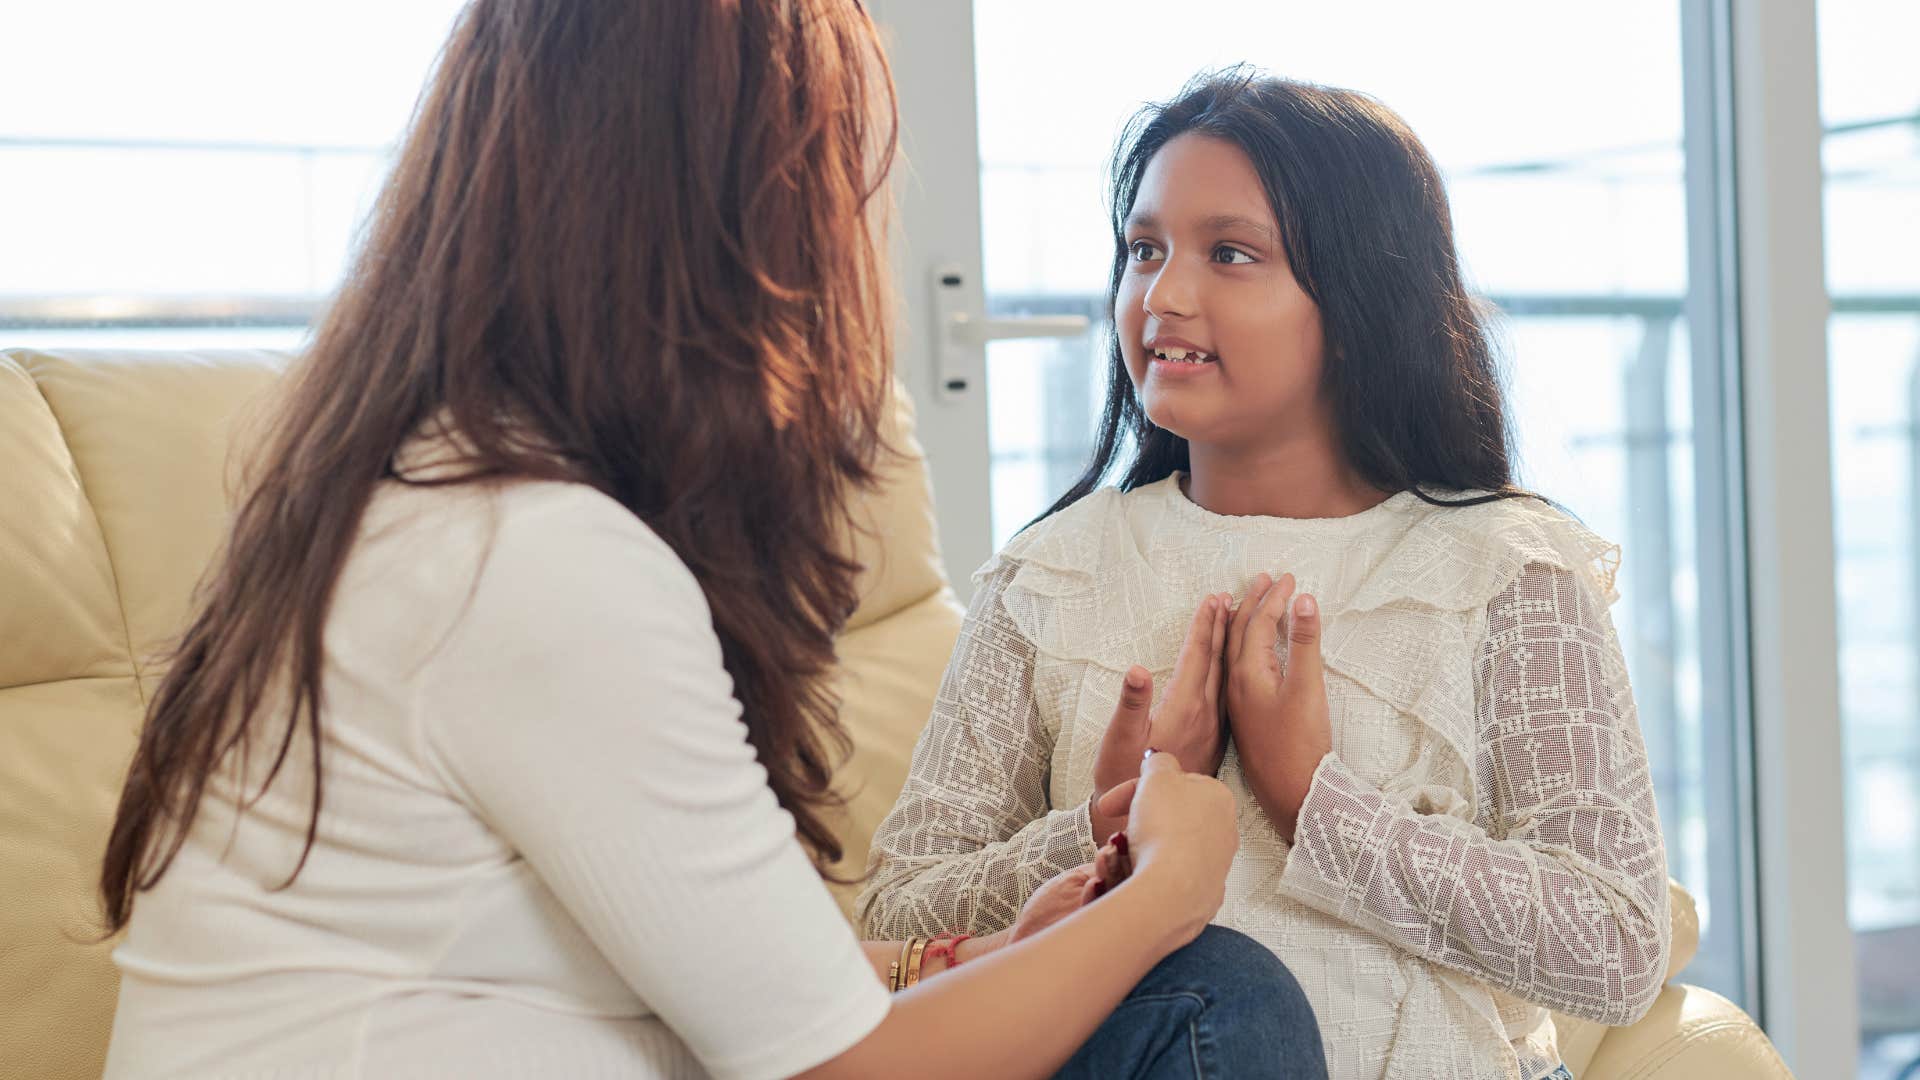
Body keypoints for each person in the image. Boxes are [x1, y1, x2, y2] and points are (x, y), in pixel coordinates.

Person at [93, 8, 1327, 1079]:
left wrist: (982, 955)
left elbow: (737, 967)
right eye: (846, 184)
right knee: (1213, 994)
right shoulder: (531, 562)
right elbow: (842, 1065)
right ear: (735, 220)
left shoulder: (443, 496)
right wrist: (1166, 891)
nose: (863, 247)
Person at [860, 68, 1672, 1080]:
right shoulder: (1049, 576)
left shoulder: (1508, 570)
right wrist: (1103, 828)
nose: (1163, 295)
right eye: (1144, 250)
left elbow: (1615, 944)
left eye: (1231, 254)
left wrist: (1314, 805)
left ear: (1362, 297)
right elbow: (893, 920)